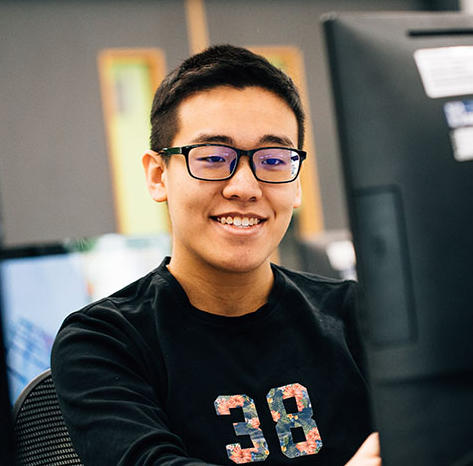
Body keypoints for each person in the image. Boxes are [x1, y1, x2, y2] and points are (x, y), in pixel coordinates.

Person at [51, 44, 380, 465]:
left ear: (297, 183)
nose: (244, 187)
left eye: (274, 159)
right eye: (212, 158)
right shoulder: (104, 341)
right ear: (158, 176)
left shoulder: (356, 317)